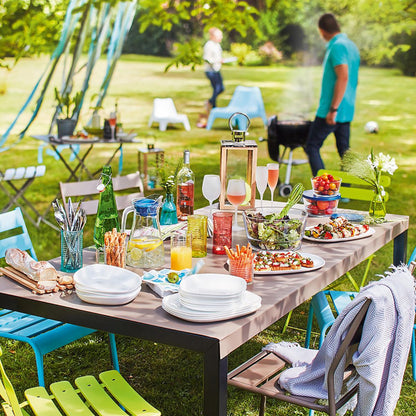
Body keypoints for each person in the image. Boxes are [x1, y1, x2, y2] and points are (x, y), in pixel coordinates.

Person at [305, 13, 360, 176]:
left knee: (312, 146)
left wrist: (333, 109)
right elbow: (354, 79)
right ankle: (347, 191)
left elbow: (343, 76)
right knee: (344, 150)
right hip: (347, 108)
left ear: (322, 31)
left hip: (332, 109)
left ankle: (323, 189)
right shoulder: (351, 46)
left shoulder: (337, 46)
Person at [203, 27, 224, 110]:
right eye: (219, 35)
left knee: (220, 88)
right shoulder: (209, 45)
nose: (221, 37)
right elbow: (207, 59)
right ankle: (213, 105)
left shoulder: (217, 45)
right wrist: (217, 60)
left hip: (216, 70)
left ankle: (211, 103)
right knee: (217, 88)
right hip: (210, 71)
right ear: (212, 36)